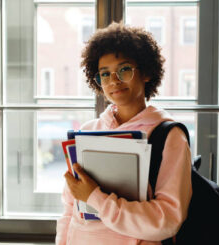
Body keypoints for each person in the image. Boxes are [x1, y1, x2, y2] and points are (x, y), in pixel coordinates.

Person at [56, 22, 192, 245]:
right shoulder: (87, 132)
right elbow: (70, 209)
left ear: (146, 72)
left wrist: (95, 198)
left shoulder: (169, 136)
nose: (114, 81)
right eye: (105, 74)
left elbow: (167, 219)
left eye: (124, 69)